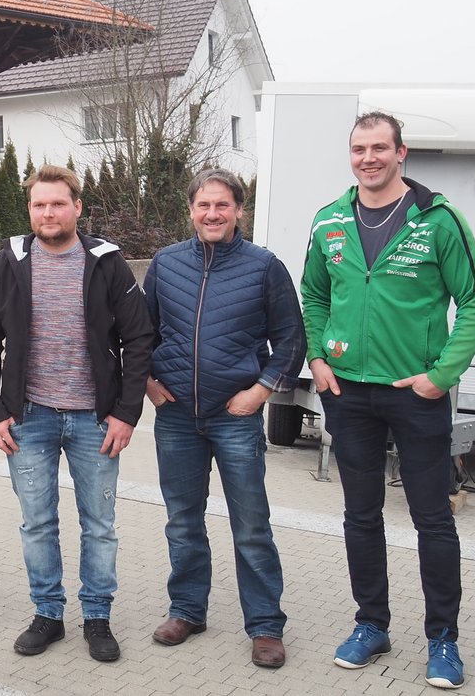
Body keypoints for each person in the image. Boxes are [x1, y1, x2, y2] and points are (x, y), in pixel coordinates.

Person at [302, 112, 475, 690]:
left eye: (379, 147)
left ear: (401, 151)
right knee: (360, 516)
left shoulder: (437, 218)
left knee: (432, 518)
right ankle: (371, 626)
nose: (368, 158)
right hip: (348, 394)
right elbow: (311, 294)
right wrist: (317, 359)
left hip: (416, 396)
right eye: (359, 148)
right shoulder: (329, 220)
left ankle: (443, 639)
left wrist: (442, 375)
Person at [0, 164, 151, 662]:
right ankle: (48, 615)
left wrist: (126, 412)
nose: (48, 212)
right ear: (30, 210)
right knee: (37, 523)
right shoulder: (10, 261)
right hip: (28, 416)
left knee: (100, 524)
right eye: (39, 204)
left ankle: (97, 616)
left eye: (57, 203)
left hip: (94, 419)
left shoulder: (106, 261)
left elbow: (138, 338)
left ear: (77, 206)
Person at [144, 168, 304, 670]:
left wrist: (259, 392)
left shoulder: (264, 267)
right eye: (203, 206)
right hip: (175, 418)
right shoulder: (166, 264)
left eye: (222, 206)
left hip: (235, 417)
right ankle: (188, 610)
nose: (212, 214)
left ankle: (265, 626)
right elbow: (139, 333)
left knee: (251, 525)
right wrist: (148, 382)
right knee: (182, 521)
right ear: (190, 210)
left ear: (239, 210)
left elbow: (291, 341)